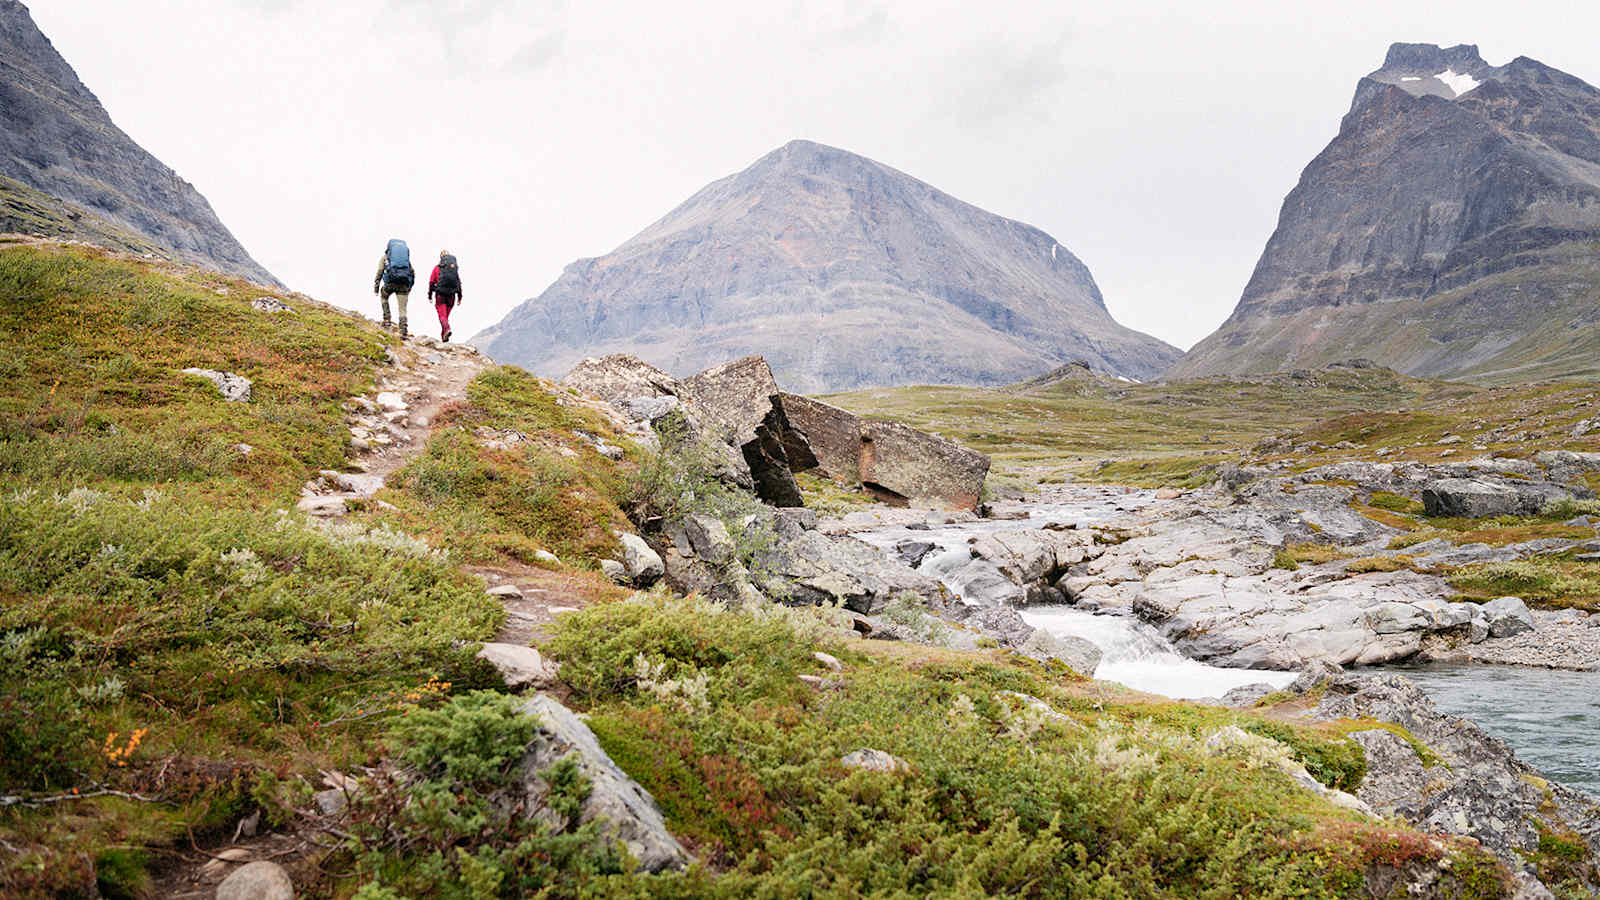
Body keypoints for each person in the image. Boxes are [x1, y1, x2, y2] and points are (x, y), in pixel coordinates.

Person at [373, 238, 415, 338]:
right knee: (402, 309)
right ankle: (403, 330)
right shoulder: (405, 260)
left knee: (384, 297)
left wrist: (376, 287)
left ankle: (387, 319)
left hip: (390, 284)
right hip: (403, 285)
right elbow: (413, 273)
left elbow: (379, 272)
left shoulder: (385, 258)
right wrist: (409, 287)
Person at [428, 250, 463, 342]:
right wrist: (460, 297)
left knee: (442, 316)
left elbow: (431, 282)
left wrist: (430, 295)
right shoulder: (453, 269)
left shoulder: (437, 268)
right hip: (452, 296)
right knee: (445, 317)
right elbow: (458, 283)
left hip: (440, 295)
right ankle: (444, 337)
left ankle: (447, 330)